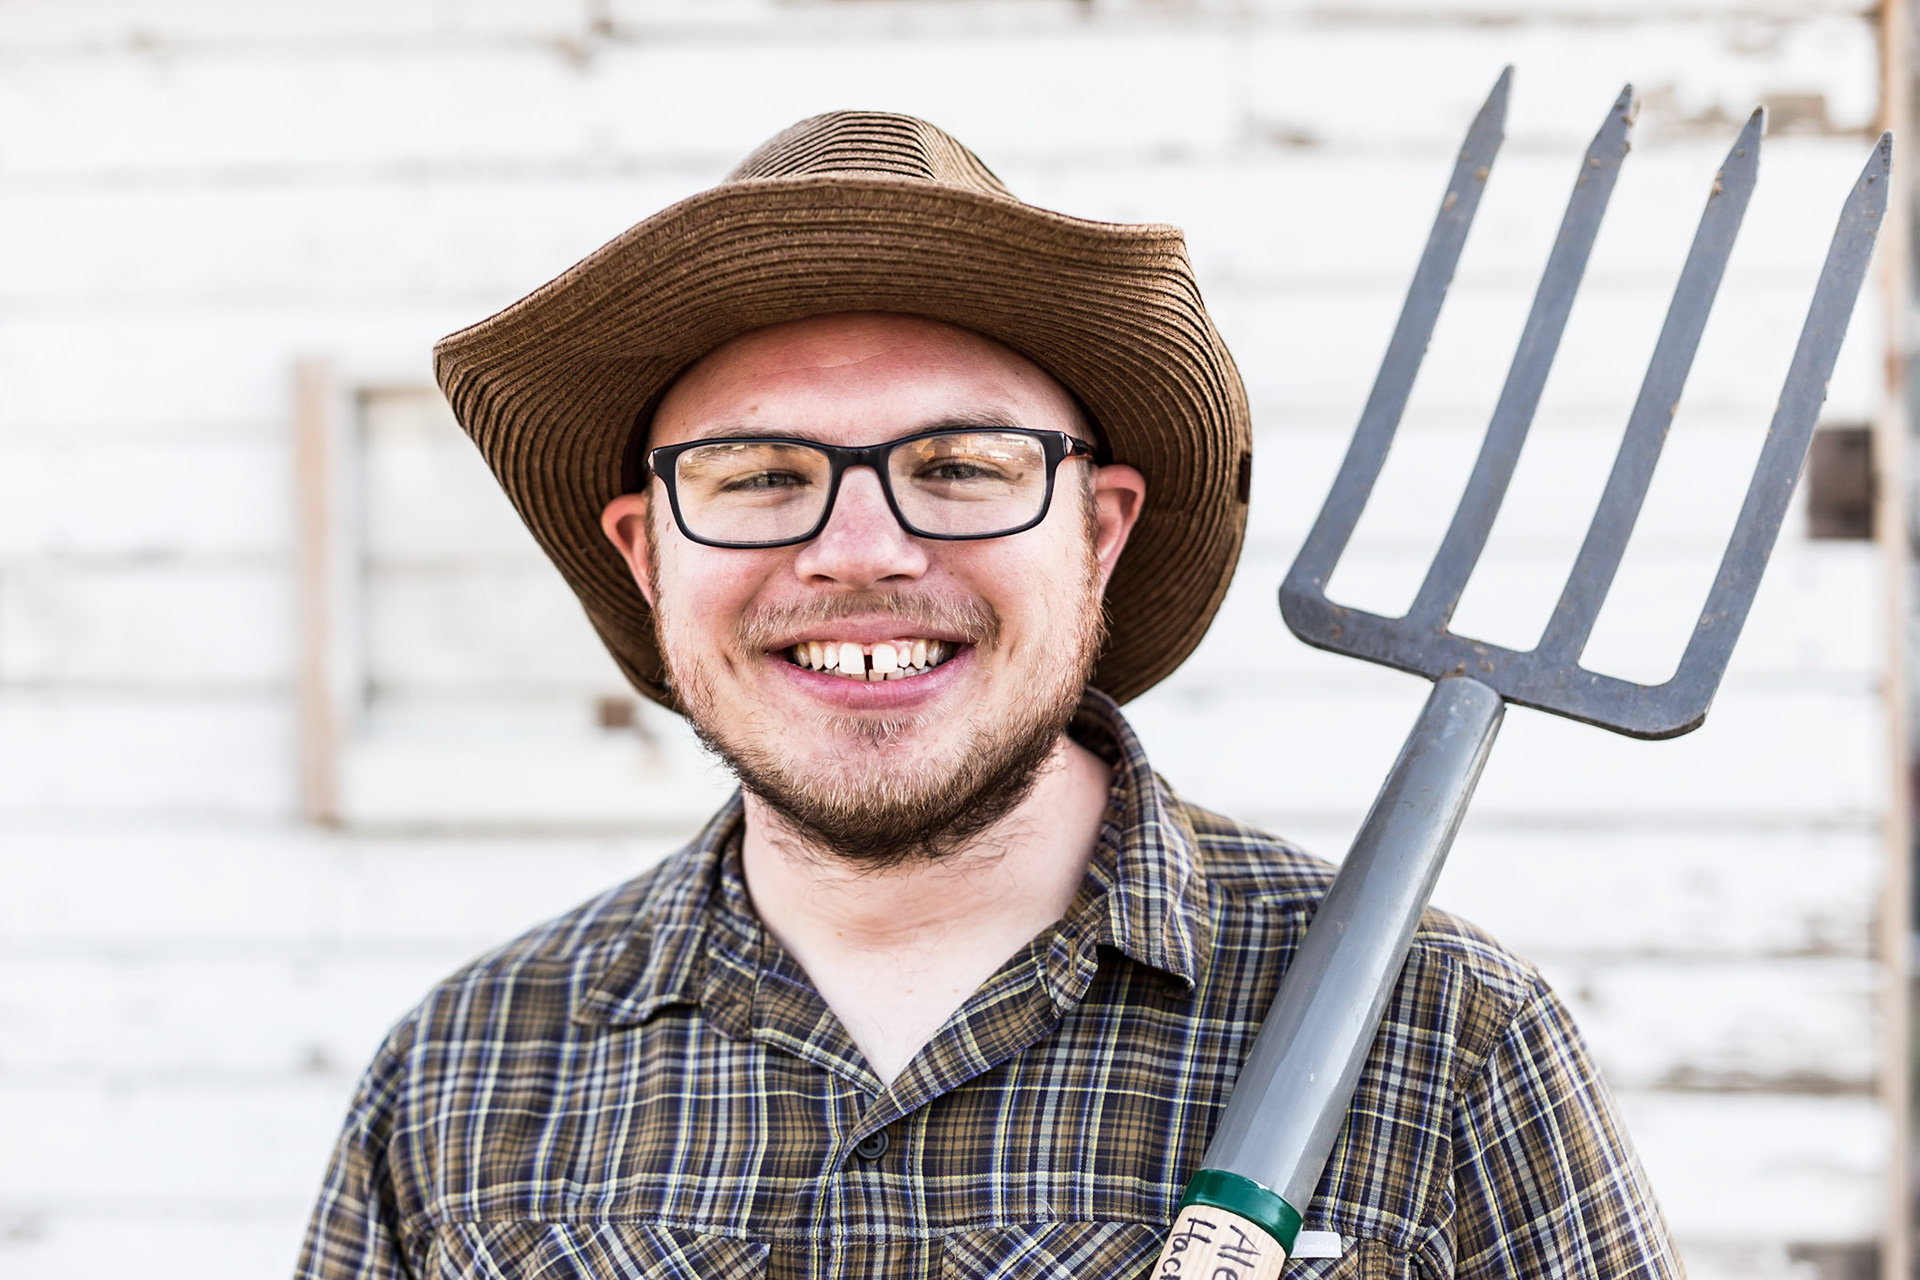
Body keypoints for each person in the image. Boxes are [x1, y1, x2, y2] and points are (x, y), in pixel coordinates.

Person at [297, 112, 1680, 1279]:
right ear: (645, 554)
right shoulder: (466, 1079)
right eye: (758, 476)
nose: (856, 552)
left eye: (961, 465)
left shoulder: (1443, 1041)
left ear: (1100, 532)